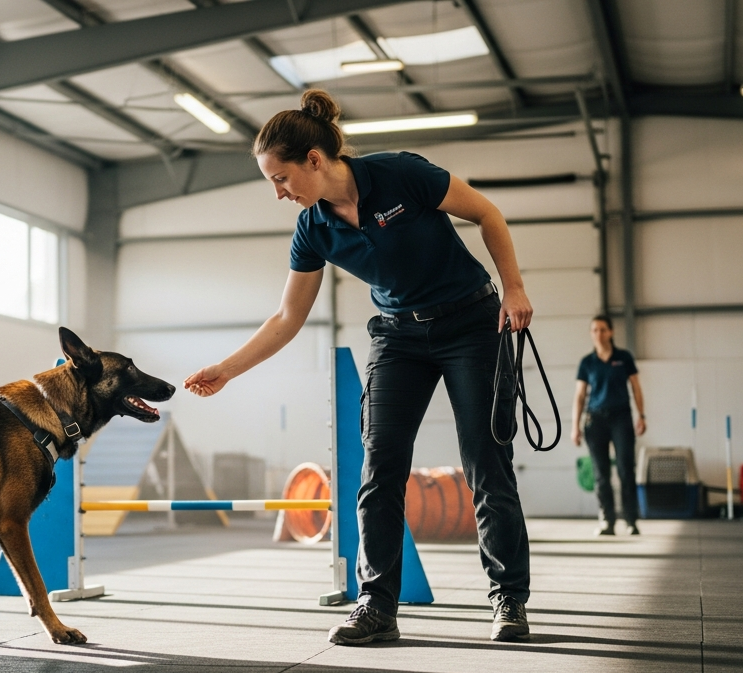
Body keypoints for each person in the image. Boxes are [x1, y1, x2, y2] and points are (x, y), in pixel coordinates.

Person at [184, 90, 536, 643]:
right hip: (398, 337)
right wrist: (227, 369)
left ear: (315, 161)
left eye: (280, 179)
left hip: (471, 325)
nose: (278, 193)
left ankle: (508, 598)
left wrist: (513, 290)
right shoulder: (313, 229)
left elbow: (487, 213)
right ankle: (375, 604)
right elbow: (286, 317)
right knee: (379, 471)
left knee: (487, 465)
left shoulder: (401, 175)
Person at [571, 315, 647, 535]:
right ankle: (607, 520)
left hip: (621, 418)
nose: (598, 334)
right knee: (600, 473)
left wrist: (641, 415)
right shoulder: (587, 362)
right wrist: (574, 427)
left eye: (603, 330)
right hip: (595, 420)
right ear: (591, 333)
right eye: (594, 330)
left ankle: (631, 520)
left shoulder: (624, 358)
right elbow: (579, 395)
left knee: (625, 469)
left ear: (611, 332)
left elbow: (636, 387)